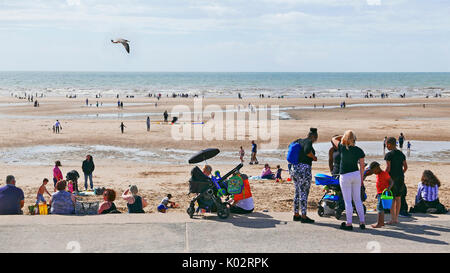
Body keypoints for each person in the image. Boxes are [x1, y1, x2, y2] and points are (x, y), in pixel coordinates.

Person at [332, 131, 366, 230]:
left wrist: (344, 136)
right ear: (354, 139)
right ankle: (362, 222)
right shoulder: (359, 150)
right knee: (357, 200)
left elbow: (333, 139)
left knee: (348, 201)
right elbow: (362, 167)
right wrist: (361, 179)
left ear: (345, 139)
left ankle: (349, 223)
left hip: (345, 175)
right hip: (356, 175)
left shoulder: (342, 147)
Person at [290, 128, 318, 223]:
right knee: (304, 192)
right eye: (316, 138)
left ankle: (296, 214)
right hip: (304, 169)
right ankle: (304, 216)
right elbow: (307, 151)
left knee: (297, 192)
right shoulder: (308, 142)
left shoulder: (299, 140)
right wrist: (314, 157)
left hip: (295, 169)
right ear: (313, 137)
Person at [384, 137, 409, 223]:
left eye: (386, 144)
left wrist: (383, 176)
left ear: (390, 144)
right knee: (398, 198)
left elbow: (388, 168)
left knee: (392, 198)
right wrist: (401, 173)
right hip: (400, 178)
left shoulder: (388, 155)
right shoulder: (401, 154)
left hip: (392, 179)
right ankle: (396, 219)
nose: (386, 146)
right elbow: (405, 167)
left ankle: (392, 218)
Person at [364, 162, 393, 228]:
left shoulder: (384, 174)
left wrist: (389, 188)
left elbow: (391, 181)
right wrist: (378, 193)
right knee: (380, 208)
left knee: (380, 208)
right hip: (380, 193)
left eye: (374, 171)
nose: (373, 172)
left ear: (377, 168)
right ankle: (381, 223)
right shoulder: (378, 174)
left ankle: (379, 223)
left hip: (384, 194)